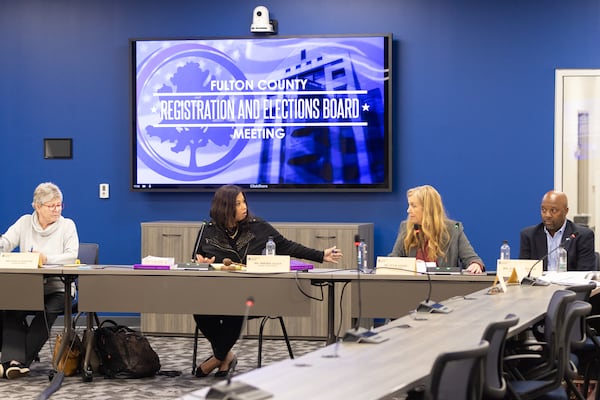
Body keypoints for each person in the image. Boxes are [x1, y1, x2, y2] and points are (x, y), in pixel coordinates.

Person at [192, 185, 343, 378]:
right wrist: (203, 264)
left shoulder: (257, 226)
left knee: (234, 311)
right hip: (217, 294)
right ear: (225, 207)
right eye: (238, 204)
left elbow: (287, 246)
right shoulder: (208, 230)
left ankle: (217, 359)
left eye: (244, 201)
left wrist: (321, 255)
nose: (244, 207)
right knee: (201, 312)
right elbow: (195, 261)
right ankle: (226, 357)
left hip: (253, 296)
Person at [0, 182, 79, 379]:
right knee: (10, 309)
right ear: (37, 206)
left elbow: (71, 256)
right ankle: (13, 363)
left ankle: (15, 362)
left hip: (59, 287)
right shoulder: (25, 222)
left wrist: (45, 258)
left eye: (59, 205)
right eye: (51, 206)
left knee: (48, 312)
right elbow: (6, 243)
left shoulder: (67, 225)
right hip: (28, 286)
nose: (56, 209)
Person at [388, 185, 485, 274]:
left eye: (413, 206)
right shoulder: (406, 227)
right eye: (409, 205)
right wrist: (411, 264)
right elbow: (393, 259)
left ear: (428, 209)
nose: (408, 210)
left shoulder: (454, 229)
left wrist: (475, 264)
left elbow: (472, 258)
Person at [519, 190, 595, 271]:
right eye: (543, 210)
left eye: (553, 210)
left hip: (568, 282)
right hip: (539, 283)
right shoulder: (529, 235)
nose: (547, 215)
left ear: (566, 211)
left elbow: (584, 273)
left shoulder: (582, 236)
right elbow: (524, 271)